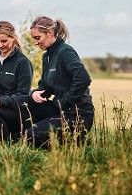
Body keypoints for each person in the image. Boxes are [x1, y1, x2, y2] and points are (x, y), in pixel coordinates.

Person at [15, 16, 94, 148]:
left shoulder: (65, 52)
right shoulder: (47, 56)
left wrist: (64, 103)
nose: (35, 42)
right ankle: (11, 136)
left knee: (31, 136)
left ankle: (73, 144)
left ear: (49, 33)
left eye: (37, 37)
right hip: (59, 111)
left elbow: (83, 79)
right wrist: (36, 93)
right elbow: (46, 86)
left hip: (78, 116)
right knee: (22, 100)